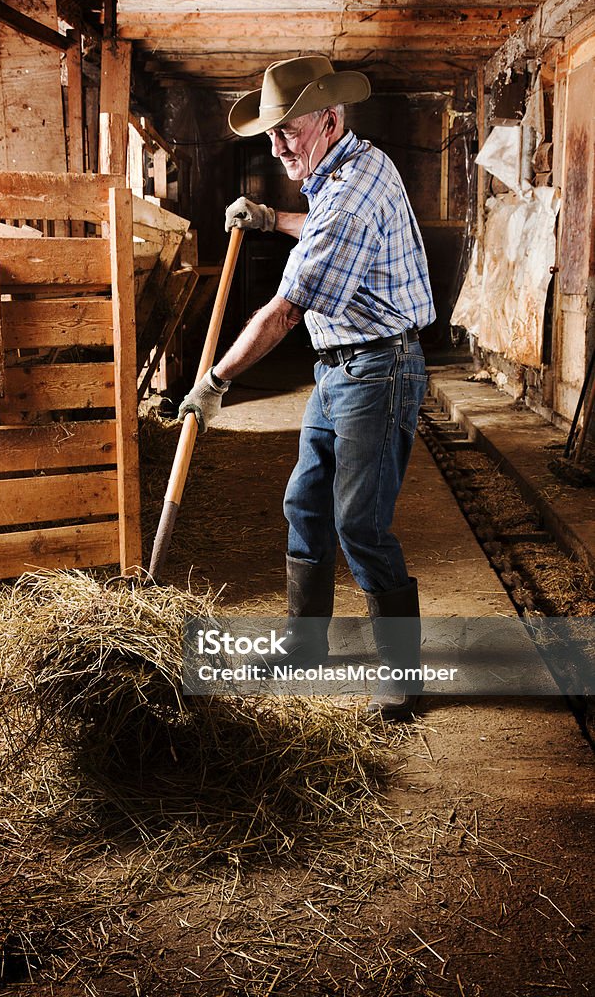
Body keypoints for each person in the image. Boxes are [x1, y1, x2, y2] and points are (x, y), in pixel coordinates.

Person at [178, 55, 436, 718]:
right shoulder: (350, 166)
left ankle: (404, 672)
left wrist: (214, 381)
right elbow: (319, 228)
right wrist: (270, 219)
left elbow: (282, 312)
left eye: (286, 129)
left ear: (329, 119)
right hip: (339, 366)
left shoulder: (350, 191)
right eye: (269, 133)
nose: (276, 144)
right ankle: (304, 645)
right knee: (305, 503)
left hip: (377, 369)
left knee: (359, 523)